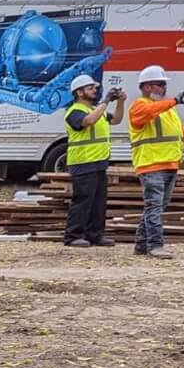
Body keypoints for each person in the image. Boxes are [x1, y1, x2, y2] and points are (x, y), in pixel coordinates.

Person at [127, 64, 184, 259]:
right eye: (160, 84)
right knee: (154, 207)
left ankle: (141, 245)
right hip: (151, 165)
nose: (163, 88)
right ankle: (155, 246)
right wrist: (175, 100)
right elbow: (150, 111)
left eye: (163, 84)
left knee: (156, 207)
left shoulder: (167, 109)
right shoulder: (139, 106)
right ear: (147, 87)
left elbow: (177, 128)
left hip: (169, 163)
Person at [61, 73, 124, 247]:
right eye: (90, 88)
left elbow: (117, 120)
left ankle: (95, 235)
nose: (94, 91)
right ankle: (73, 236)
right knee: (83, 200)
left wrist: (120, 101)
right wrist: (106, 101)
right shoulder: (74, 112)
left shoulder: (97, 110)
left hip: (99, 161)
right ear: (79, 93)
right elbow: (87, 121)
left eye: (95, 88)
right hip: (82, 162)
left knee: (98, 201)